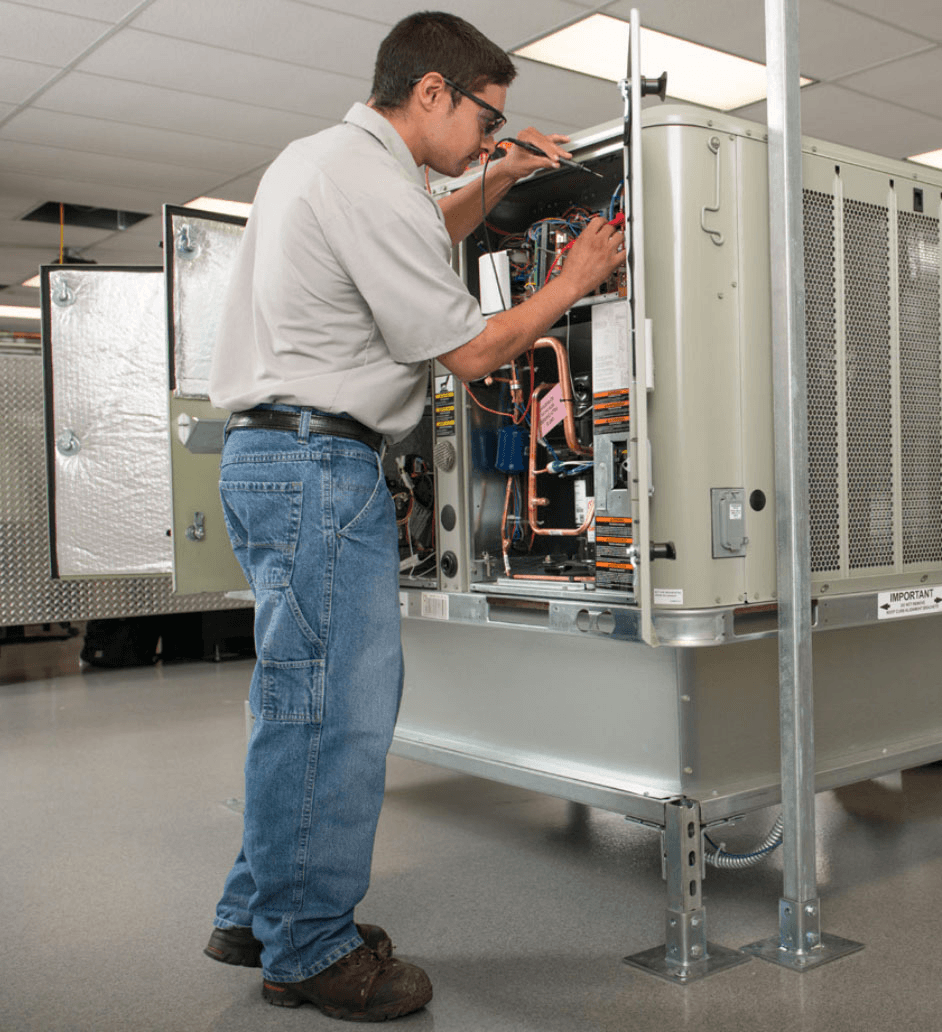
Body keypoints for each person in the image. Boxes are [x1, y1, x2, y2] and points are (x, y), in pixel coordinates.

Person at [204, 10, 625, 1023]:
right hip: (317, 465)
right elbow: (474, 353)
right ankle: (309, 950)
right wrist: (572, 282)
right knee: (336, 716)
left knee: (292, 703)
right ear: (430, 91)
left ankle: (256, 912)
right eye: (487, 118)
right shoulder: (366, 178)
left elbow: (415, 239)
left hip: (271, 461)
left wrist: (490, 184)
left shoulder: (323, 164)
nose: (492, 138)